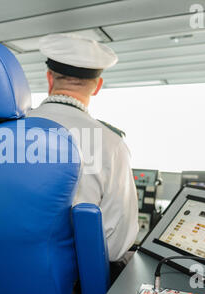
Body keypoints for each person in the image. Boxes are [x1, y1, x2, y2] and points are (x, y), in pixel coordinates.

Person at [28, 33, 139, 277]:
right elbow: (115, 246)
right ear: (97, 86)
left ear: (49, 79)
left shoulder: (5, 131)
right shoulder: (111, 145)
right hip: (69, 285)